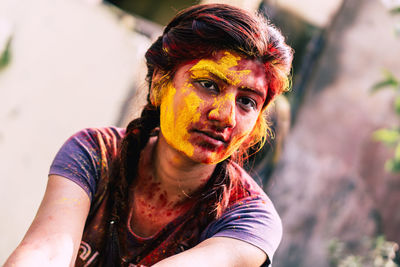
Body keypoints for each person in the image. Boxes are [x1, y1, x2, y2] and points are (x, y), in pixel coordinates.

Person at [5, 3, 293, 267]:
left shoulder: (250, 219)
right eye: (208, 84)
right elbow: (46, 251)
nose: (225, 116)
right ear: (160, 84)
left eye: (247, 101)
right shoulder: (97, 153)